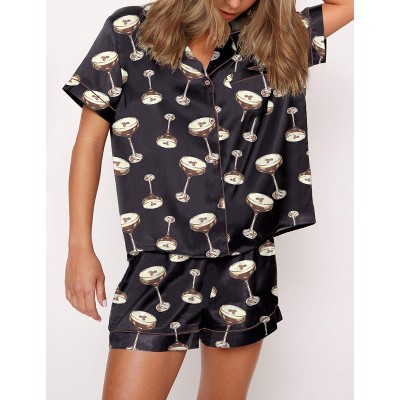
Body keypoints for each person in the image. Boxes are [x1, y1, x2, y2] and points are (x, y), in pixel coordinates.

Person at [62, 0, 353, 399]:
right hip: (160, 261)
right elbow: (88, 142)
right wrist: (79, 247)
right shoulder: (129, 32)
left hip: (245, 260)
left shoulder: (275, 39)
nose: (234, 3)